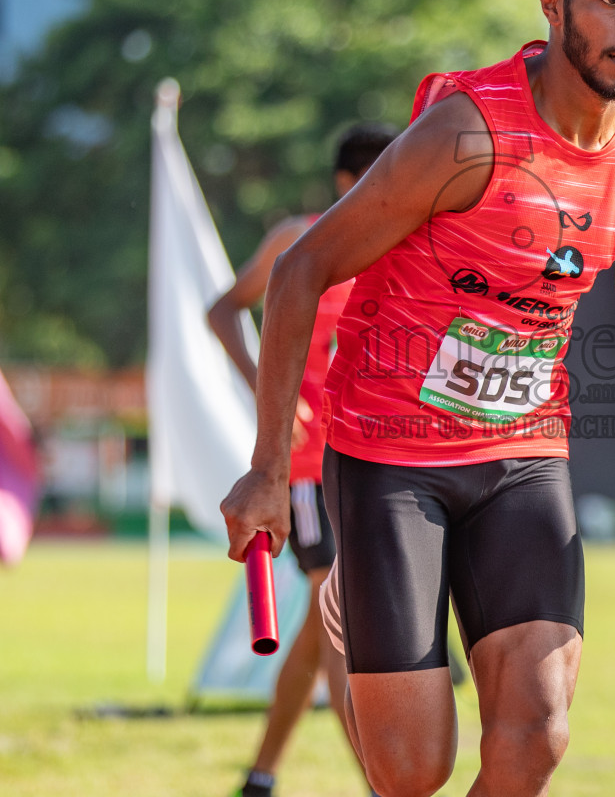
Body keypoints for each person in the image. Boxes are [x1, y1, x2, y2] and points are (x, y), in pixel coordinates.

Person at [220, 0, 615, 797]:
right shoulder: (465, 136)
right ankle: (348, 599)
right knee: (413, 771)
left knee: (537, 733)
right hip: (390, 458)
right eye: (611, 1)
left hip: (523, 455)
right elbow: (301, 270)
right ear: (552, 7)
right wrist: (269, 470)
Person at [208, 123, 397, 797]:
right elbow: (224, 311)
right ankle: (382, 783)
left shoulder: (406, 239)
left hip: (380, 459)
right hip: (311, 464)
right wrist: (274, 404)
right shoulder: (298, 238)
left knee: (324, 629)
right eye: (383, 172)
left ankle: (261, 776)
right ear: (347, 182)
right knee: (338, 618)